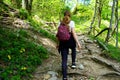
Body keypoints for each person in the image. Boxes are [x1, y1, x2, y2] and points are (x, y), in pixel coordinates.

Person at [56, 11, 81, 80]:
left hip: (63, 43)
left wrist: (58, 44)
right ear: (70, 16)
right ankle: (73, 63)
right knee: (73, 49)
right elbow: (73, 33)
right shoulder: (72, 22)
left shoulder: (60, 23)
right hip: (70, 41)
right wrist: (78, 43)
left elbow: (58, 35)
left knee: (64, 60)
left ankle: (64, 77)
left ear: (64, 15)